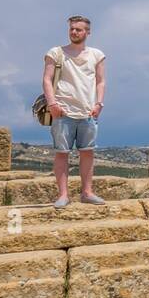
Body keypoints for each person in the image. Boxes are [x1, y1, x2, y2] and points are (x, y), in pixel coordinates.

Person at [42, 15, 107, 207]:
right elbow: (47, 79)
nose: (74, 32)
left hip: (88, 111)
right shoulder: (56, 52)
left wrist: (99, 104)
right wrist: (52, 103)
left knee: (87, 152)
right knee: (62, 153)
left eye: (78, 29)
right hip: (63, 110)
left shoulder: (97, 55)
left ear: (88, 32)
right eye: (71, 29)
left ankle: (87, 192)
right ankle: (63, 195)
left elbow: (101, 81)